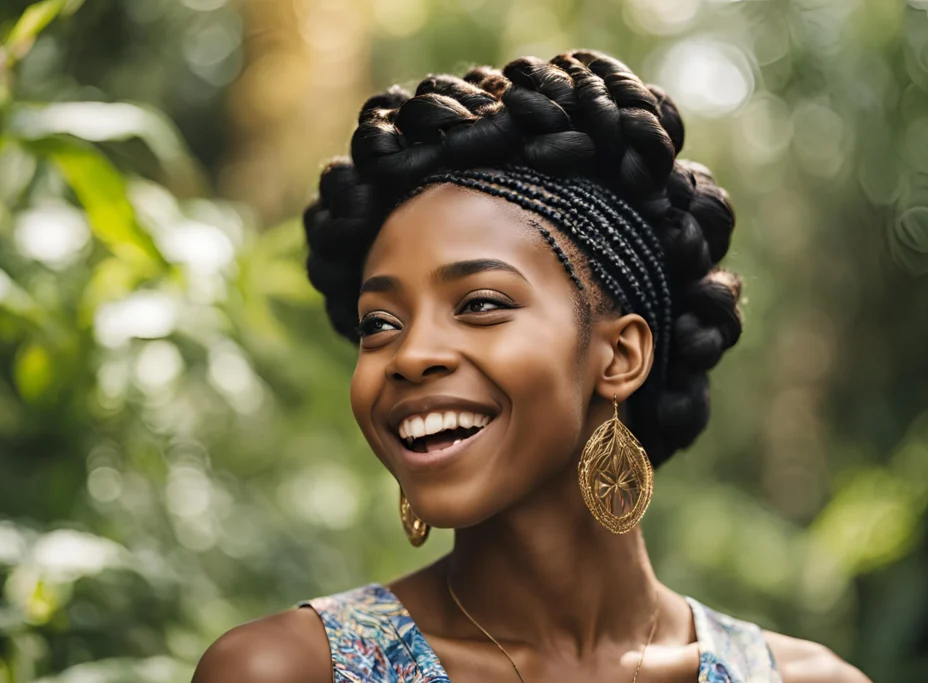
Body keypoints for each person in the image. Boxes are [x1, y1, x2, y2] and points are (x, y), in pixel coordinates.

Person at [193, 49, 871, 683]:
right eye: (381, 324)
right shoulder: (285, 669)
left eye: (481, 303)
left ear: (620, 354)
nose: (412, 354)